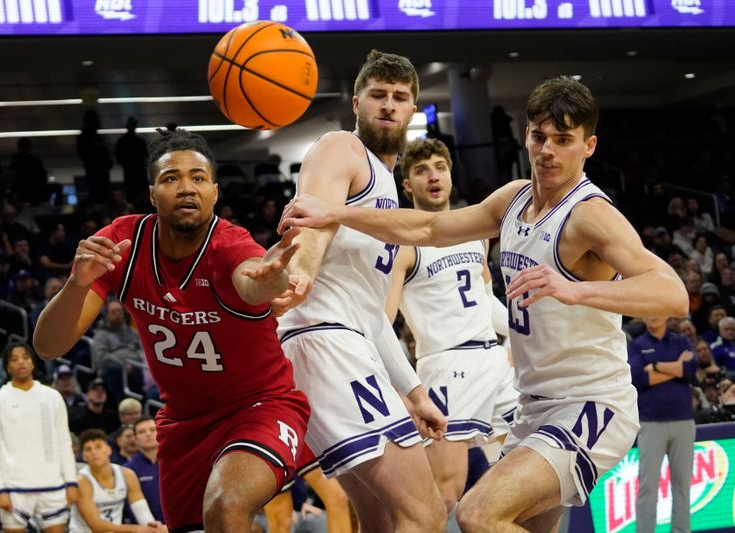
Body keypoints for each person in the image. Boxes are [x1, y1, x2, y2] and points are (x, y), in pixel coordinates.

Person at [279, 75, 689, 532]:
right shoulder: (512, 198)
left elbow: (672, 293)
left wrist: (578, 289)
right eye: (539, 136)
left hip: (590, 404)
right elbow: (429, 230)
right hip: (533, 406)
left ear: (588, 146)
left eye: (564, 140)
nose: (548, 150)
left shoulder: (590, 215)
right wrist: (338, 212)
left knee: (477, 515)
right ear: (525, 135)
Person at [33, 128, 310, 532]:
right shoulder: (123, 243)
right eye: (171, 178)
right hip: (183, 425)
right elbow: (48, 346)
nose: (186, 188)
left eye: (198, 178)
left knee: (227, 505)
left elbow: (252, 280)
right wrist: (77, 284)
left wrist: (271, 281)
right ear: (151, 194)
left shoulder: (230, 244)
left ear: (215, 192)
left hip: (259, 407)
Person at [274, 50, 447, 532]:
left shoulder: (387, 185)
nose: (388, 106)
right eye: (378, 96)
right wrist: (303, 269)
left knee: (382, 518)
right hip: (324, 340)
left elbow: (372, 312)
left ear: (413, 110)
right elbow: (313, 217)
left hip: (343, 340)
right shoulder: (340, 149)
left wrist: (413, 392)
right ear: (357, 102)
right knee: (425, 513)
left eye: (399, 97)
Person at [384, 137, 518, 513]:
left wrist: (521, 337)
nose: (433, 177)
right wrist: (404, 388)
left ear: (450, 175)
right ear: (407, 184)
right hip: (445, 367)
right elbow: (383, 322)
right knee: (444, 495)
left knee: (519, 478)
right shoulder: (404, 244)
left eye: (440, 167)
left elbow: (485, 300)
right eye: (421, 170)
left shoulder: (474, 231)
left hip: (493, 361)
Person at [0, 343, 77, 532]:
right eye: (14, 359)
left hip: (53, 483)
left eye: (25, 357)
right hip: (14, 486)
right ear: (8, 366)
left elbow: (64, 443)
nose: (21, 362)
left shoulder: (52, 396)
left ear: (33, 363)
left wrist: (71, 482)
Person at [628, 316, 697, 533]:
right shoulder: (637, 344)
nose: (653, 315)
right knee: (648, 486)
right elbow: (639, 378)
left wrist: (655, 366)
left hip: (684, 421)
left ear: (665, 313)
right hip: (651, 422)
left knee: (683, 485)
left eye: (657, 310)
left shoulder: (682, 341)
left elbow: (690, 370)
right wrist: (676, 366)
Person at [69, 429, 165, 533]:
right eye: (88, 449)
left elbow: (141, 511)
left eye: (98, 447)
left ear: (109, 450)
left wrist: (151, 526)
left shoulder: (127, 475)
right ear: (84, 456)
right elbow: (96, 526)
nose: (94, 452)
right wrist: (136, 529)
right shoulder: (82, 481)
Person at [124, 416, 163, 523]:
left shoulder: (174, 462)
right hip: (146, 527)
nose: (148, 434)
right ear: (135, 439)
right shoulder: (128, 469)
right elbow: (128, 505)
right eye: (142, 431)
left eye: (152, 430)